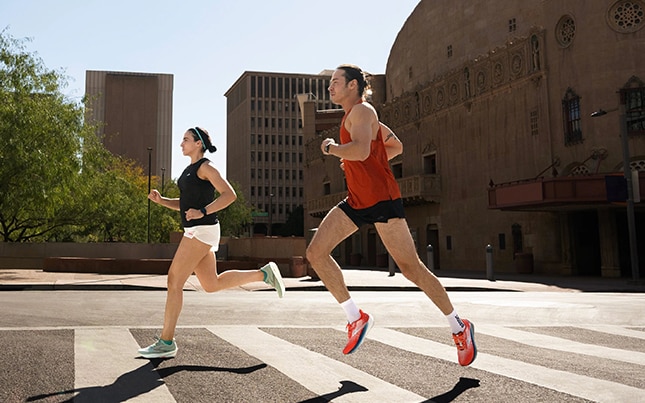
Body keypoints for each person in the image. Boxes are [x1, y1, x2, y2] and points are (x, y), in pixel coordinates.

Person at [306, 65, 477, 366]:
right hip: (357, 201)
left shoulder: (363, 111)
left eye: (335, 82)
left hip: (383, 202)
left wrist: (333, 149)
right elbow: (394, 146)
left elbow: (361, 151)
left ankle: (459, 326)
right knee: (316, 253)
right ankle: (355, 317)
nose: (330, 87)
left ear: (353, 85)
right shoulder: (355, 116)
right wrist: (361, 159)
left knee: (412, 270)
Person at [138, 127, 285, 359]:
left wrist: (203, 212)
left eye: (186, 139)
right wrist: (162, 201)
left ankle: (166, 341)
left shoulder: (206, 167)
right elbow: (185, 204)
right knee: (211, 284)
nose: (181, 144)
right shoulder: (189, 170)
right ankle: (263, 274)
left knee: (174, 280)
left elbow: (229, 194)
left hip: (202, 230)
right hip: (197, 230)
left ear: (198, 143)